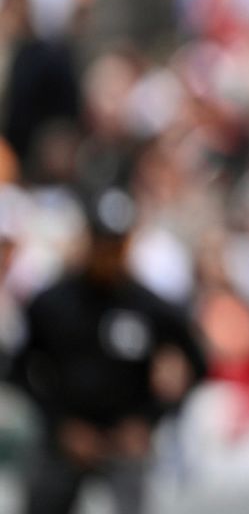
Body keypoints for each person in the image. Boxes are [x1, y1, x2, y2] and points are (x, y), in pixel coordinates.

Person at [9, 189, 208, 514]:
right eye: (102, 243)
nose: (109, 253)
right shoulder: (52, 303)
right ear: (87, 240)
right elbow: (20, 370)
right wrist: (59, 423)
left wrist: (149, 419)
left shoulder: (151, 307)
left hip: (124, 441)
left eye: (116, 243)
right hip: (66, 438)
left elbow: (198, 365)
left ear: (129, 243)